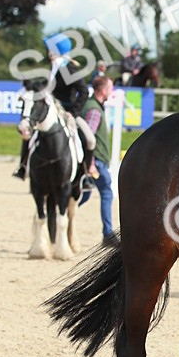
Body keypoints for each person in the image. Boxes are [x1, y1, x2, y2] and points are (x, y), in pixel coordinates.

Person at [13, 34, 92, 180]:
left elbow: (84, 91)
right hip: (51, 111)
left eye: (50, 49)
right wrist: (27, 91)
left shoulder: (70, 69)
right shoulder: (55, 66)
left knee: (89, 139)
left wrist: (73, 113)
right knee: (28, 132)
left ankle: (85, 175)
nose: (47, 52)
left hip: (67, 111)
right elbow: (46, 85)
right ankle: (23, 166)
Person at [79, 75, 115, 243]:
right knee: (107, 191)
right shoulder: (94, 110)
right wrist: (91, 164)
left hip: (95, 161)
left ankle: (60, 216)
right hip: (96, 162)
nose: (112, 91)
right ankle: (108, 234)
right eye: (110, 88)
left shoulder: (93, 106)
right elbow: (89, 138)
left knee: (83, 195)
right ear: (102, 90)